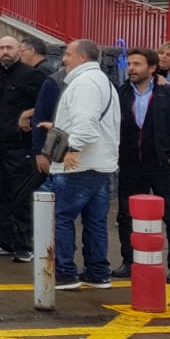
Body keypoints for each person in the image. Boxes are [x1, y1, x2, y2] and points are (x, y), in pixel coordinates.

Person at [48, 39, 121, 291]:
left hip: (79, 166)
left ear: (82, 57)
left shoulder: (85, 83)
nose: (64, 59)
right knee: (95, 221)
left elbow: (86, 124)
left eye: (68, 54)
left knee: (62, 218)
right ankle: (98, 273)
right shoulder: (103, 81)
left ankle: (65, 273)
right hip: (100, 164)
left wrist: (73, 149)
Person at [112, 47, 170, 283]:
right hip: (130, 163)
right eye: (129, 64)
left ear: (152, 68)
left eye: (137, 64)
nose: (131, 69)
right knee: (126, 215)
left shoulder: (169, 93)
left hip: (160, 163)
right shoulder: (121, 92)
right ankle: (129, 261)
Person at [0, 35, 48, 262]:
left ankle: (24, 245)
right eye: (1, 47)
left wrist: (28, 114)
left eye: (9, 47)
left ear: (19, 50)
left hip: (20, 147)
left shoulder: (31, 75)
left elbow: (49, 103)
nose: (5, 51)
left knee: (20, 198)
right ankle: (5, 242)